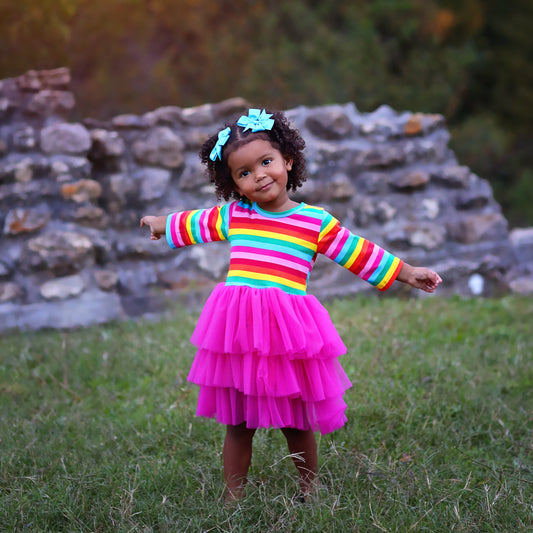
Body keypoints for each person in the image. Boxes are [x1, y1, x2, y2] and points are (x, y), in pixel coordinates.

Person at [140, 108, 442, 502]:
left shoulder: (314, 221)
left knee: (297, 419)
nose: (259, 175)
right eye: (244, 172)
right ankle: (233, 496)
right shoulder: (236, 215)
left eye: (266, 162)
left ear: (288, 160)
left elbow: (359, 253)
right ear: (233, 183)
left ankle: (309, 488)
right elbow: (193, 222)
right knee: (238, 420)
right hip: (241, 335)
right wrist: (160, 223)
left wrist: (407, 271)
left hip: (287, 335)